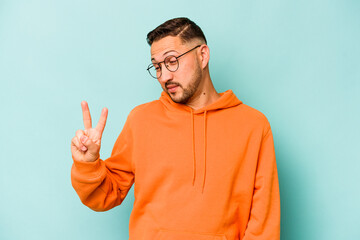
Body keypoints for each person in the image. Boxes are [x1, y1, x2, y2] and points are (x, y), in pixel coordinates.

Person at [70, 17, 280, 240]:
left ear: (203, 55)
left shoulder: (253, 126)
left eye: (172, 61)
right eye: (157, 66)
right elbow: (106, 195)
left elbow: (263, 224)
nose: (164, 76)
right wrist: (88, 164)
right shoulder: (141, 120)